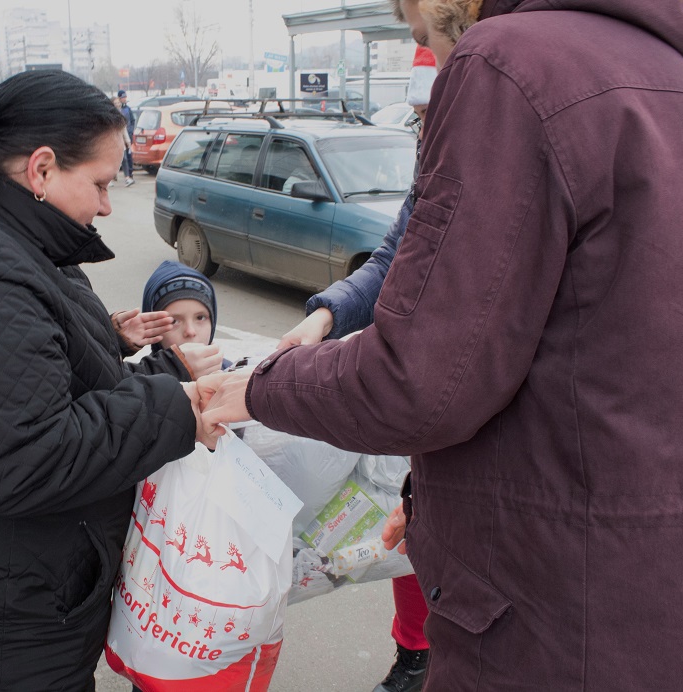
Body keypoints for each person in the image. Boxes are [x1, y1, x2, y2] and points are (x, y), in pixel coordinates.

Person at [199, 0, 683, 689]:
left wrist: (254, 388)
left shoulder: (510, 62)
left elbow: (421, 380)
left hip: (549, 612)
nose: (430, 64)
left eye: (420, 35)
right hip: (651, 581)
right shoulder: (670, 70)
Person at [0, 69, 217, 691]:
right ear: (42, 168)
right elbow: (23, 458)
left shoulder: (4, 242)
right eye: (102, 183)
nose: (108, 204)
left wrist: (113, 340)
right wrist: (178, 402)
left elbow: (15, 363)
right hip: (0, 619)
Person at [279, 43, 438, 692]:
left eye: (435, 114)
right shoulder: (434, 169)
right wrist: (321, 318)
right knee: (412, 539)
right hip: (430, 411)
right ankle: (415, 659)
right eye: (421, 118)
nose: (427, 131)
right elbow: (390, 260)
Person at [141, 260, 227, 374]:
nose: (190, 331)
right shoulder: (140, 386)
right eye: (174, 321)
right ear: (153, 329)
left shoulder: (235, 377)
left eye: (200, 317)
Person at [116, 89, 135, 186]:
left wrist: (130, 131)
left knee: (127, 157)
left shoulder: (128, 109)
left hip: (127, 136)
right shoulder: (117, 111)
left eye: (125, 97)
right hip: (119, 138)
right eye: (123, 97)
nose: (124, 99)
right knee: (121, 158)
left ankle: (129, 175)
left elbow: (132, 121)